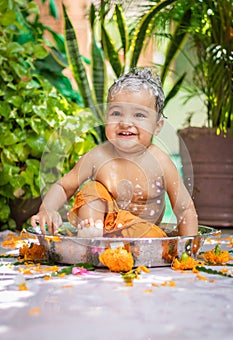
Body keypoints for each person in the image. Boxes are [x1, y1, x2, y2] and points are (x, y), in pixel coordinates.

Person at [31, 67, 198, 238]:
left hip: (141, 238)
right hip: (102, 233)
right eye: (116, 113)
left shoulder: (160, 162)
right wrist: (47, 209)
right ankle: (90, 235)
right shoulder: (98, 156)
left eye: (139, 115)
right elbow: (64, 186)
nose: (125, 123)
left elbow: (184, 209)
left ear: (157, 126)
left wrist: (187, 249)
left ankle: (100, 243)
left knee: (155, 237)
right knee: (92, 189)